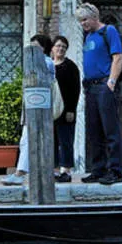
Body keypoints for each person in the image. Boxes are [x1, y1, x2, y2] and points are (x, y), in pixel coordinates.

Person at [77, 3, 122, 185]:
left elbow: (118, 58)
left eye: (85, 19)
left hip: (104, 86)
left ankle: (115, 171)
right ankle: (98, 170)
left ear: (95, 16)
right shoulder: (88, 36)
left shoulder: (109, 31)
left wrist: (111, 83)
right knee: (94, 131)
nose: (82, 23)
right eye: (80, 21)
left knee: (110, 130)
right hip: (90, 87)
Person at [3, 34, 57, 186]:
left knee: (27, 140)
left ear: (43, 47)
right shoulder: (39, 61)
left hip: (38, 106)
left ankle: (20, 173)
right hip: (32, 105)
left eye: (35, 45)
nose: (32, 48)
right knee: (28, 140)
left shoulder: (45, 62)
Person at [51, 35, 80, 183]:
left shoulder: (71, 66)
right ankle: (55, 170)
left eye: (63, 46)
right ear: (52, 48)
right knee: (53, 141)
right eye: (58, 46)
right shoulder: (48, 65)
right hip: (52, 111)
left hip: (66, 111)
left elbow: (75, 90)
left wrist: (71, 110)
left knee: (66, 141)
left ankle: (66, 171)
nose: (61, 48)